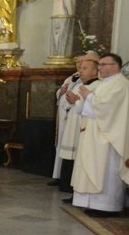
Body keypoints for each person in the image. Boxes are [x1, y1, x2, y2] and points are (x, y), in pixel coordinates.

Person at [71, 53, 129, 217]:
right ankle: (95, 204)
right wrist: (86, 99)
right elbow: (96, 104)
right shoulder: (107, 83)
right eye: (100, 64)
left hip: (110, 137)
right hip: (98, 134)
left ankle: (108, 207)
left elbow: (106, 107)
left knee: (107, 171)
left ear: (115, 67)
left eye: (103, 64)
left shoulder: (121, 85)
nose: (100, 68)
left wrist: (89, 97)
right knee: (96, 168)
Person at [58, 53, 101, 200]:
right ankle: (70, 188)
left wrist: (77, 101)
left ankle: (76, 192)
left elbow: (95, 108)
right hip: (73, 123)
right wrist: (70, 102)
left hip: (83, 127)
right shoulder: (80, 85)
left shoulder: (98, 86)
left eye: (84, 68)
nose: (80, 71)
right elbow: (65, 103)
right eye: (80, 68)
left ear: (95, 71)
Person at [50, 57, 82, 186]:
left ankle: (65, 179)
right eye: (78, 62)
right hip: (64, 118)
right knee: (61, 146)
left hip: (74, 119)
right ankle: (57, 175)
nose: (79, 65)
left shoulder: (88, 80)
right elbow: (62, 92)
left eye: (83, 63)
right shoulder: (71, 77)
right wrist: (60, 92)